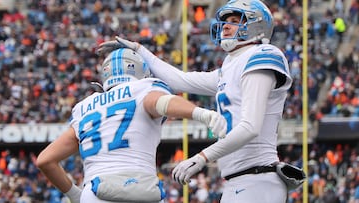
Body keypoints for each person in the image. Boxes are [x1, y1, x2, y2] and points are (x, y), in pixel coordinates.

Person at [97, 0, 306, 202]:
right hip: (239, 180)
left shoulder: (262, 54)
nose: (226, 26)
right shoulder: (230, 67)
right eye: (225, 21)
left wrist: (202, 157)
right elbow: (179, 80)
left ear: (256, 24)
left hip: (258, 177)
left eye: (235, 19)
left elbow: (250, 126)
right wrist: (139, 50)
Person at [36, 48, 227, 203]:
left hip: (96, 191)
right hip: (142, 189)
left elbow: (45, 160)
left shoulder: (84, 107)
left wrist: (76, 195)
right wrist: (201, 113)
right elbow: (158, 102)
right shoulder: (143, 88)